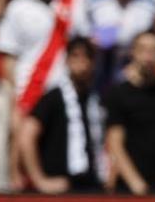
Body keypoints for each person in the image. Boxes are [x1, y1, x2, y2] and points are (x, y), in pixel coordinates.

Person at [105, 31, 155, 194]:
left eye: (154, 51)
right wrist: (134, 182)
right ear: (133, 52)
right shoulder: (119, 93)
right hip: (130, 186)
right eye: (143, 50)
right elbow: (114, 142)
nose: (148, 56)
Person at [21, 39, 107, 193]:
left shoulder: (96, 100)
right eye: (75, 56)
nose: (81, 62)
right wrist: (40, 180)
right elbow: (27, 136)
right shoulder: (53, 98)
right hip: (60, 189)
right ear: (67, 61)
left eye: (86, 57)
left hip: (92, 187)